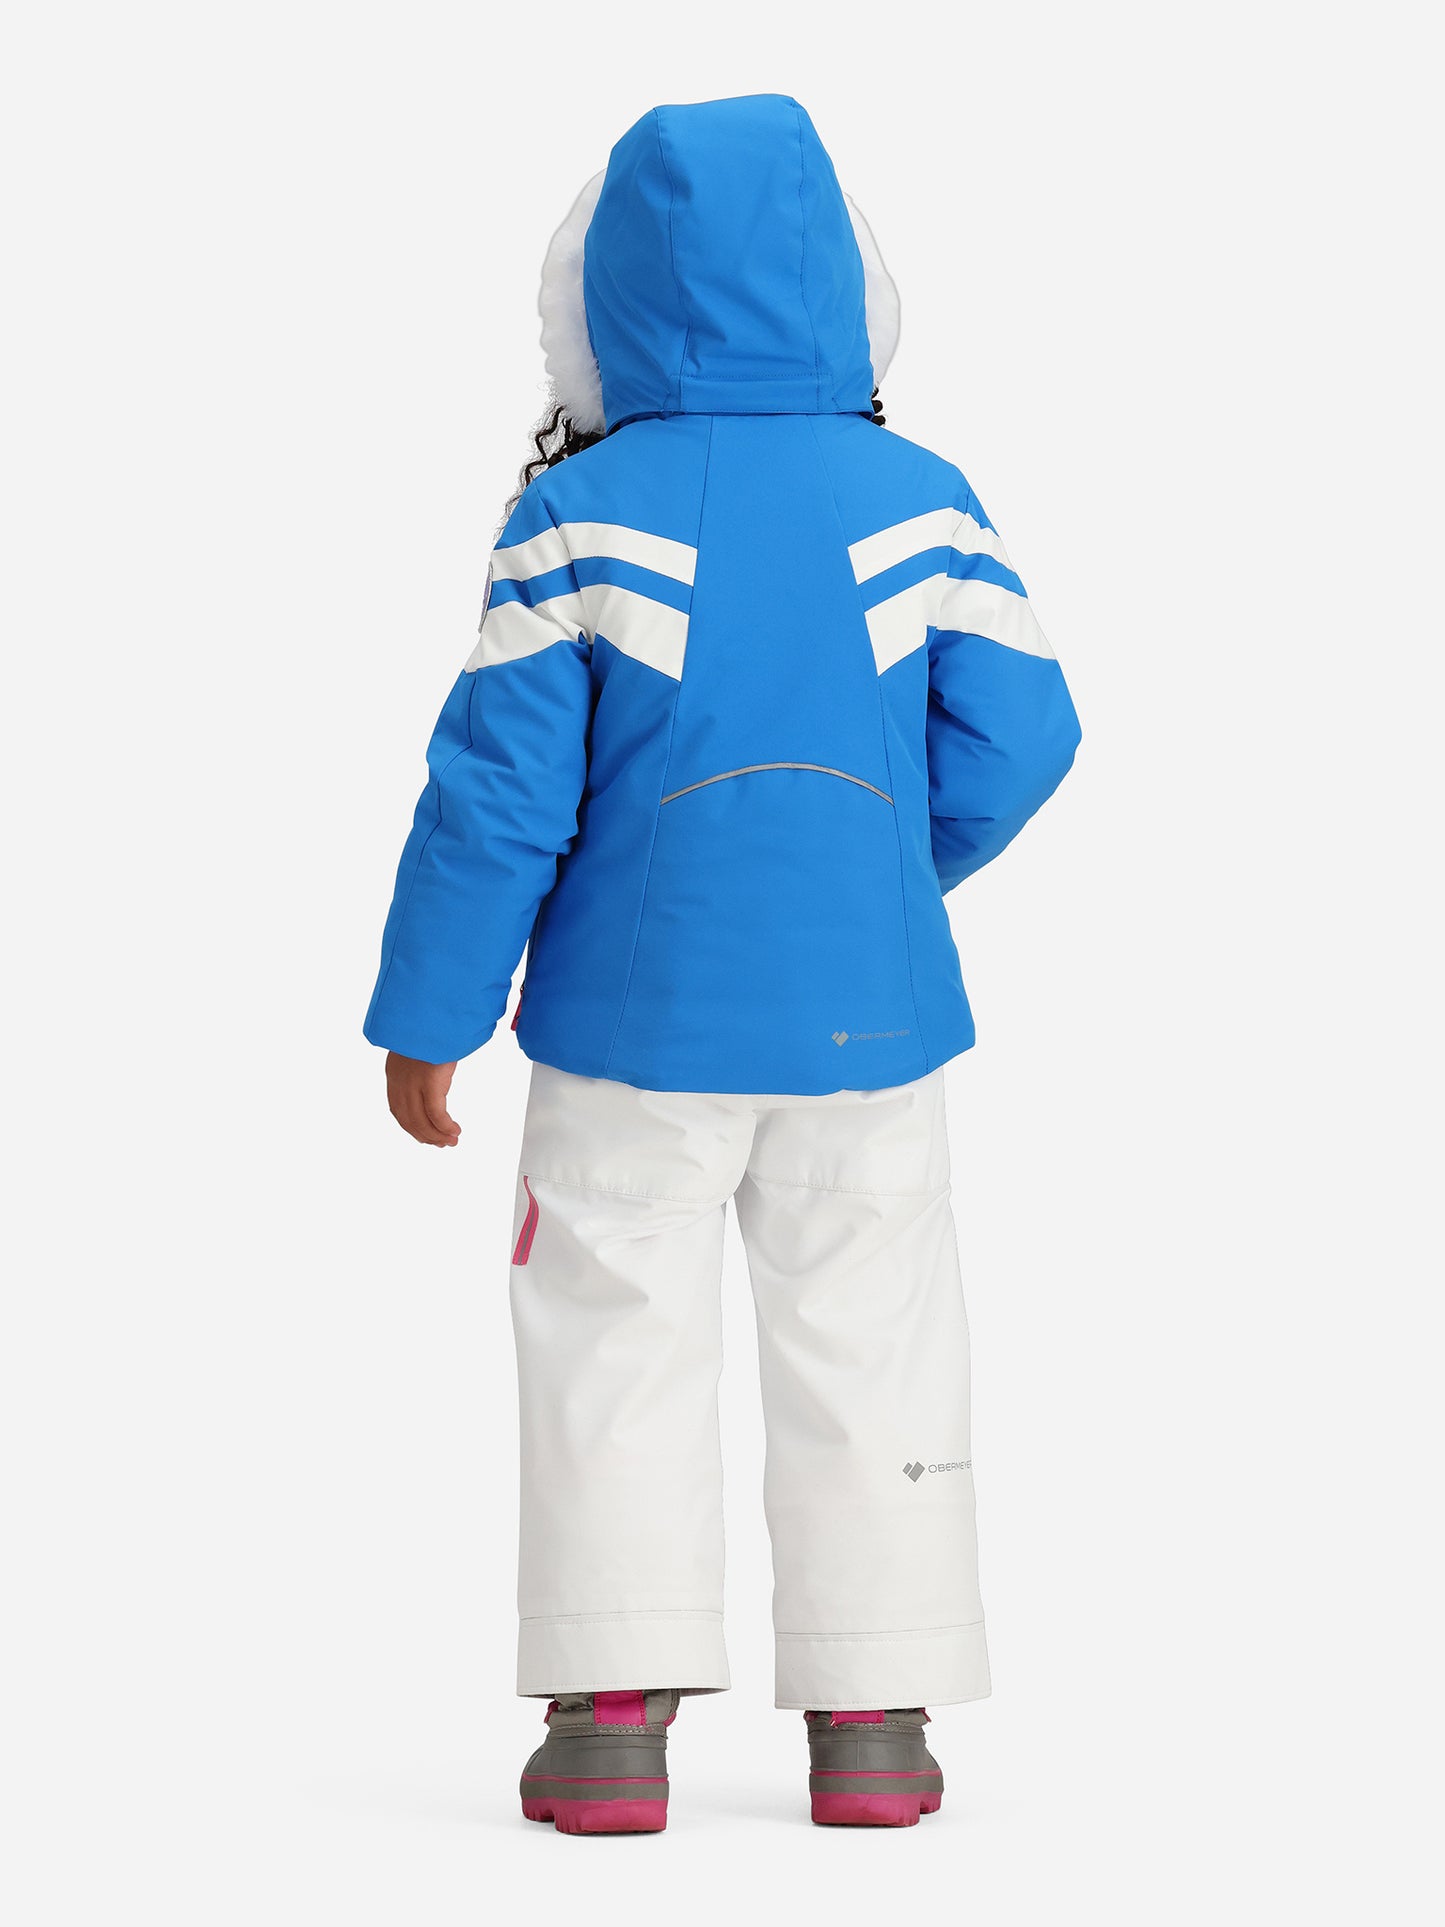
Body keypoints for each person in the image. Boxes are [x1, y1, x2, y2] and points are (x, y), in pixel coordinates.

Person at [365, 93, 1080, 1833]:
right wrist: (884, 880)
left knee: (611, 1337)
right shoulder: (926, 501)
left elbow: (493, 801)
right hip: (869, 1027)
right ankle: (877, 1719)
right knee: (875, 1338)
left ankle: (611, 1719)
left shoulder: (573, 514)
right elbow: (1023, 736)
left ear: (596, 306)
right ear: (849, 288)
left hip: (627, 1034)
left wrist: (429, 1014)